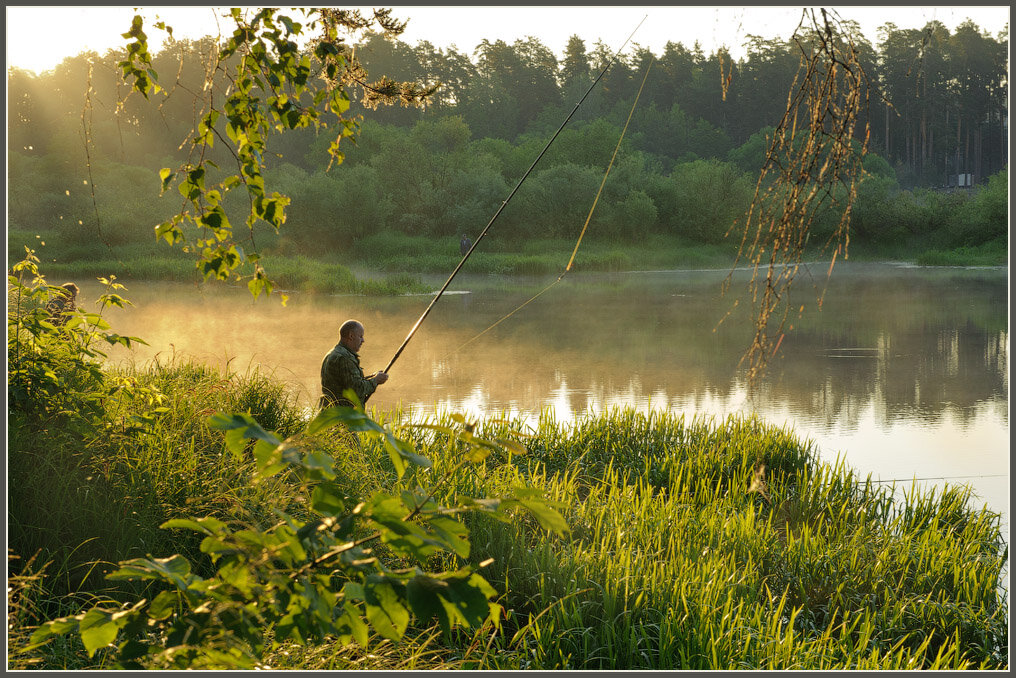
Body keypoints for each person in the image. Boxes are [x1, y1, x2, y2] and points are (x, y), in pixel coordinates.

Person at [319, 319, 389, 408]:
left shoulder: (333, 353)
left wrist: (372, 377)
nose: (363, 340)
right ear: (351, 336)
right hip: (342, 416)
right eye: (360, 336)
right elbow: (356, 390)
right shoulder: (345, 358)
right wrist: (375, 380)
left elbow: (346, 382)